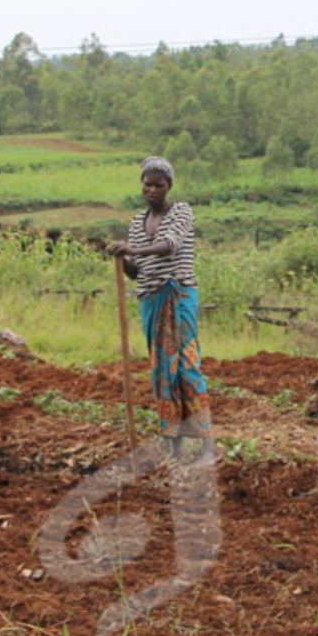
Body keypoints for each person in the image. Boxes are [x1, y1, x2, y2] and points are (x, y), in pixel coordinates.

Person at [107, 156, 215, 462]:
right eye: (147, 183)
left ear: (169, 187)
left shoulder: (181, 212)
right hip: (151, 300)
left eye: (159, 184)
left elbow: (170, 245)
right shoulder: (137, 222)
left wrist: (133, 249)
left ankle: (208, 444)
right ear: (141, 184)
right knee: (161, 371)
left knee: (186, 365)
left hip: (178, 294)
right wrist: (121, 257)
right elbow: (136, 271)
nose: (152, 189)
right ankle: (175, 442)